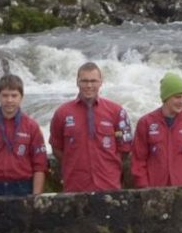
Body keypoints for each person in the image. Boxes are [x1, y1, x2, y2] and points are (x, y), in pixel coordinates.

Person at [49, 61, 131, 193]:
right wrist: (74, 163)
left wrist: (107, 167)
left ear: (101, 82)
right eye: (84, 81)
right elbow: (56, 148)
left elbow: (124, 149)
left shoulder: (117, 112)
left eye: (93, 81)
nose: (89, 85)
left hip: (109, 186)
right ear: (77, 82)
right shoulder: (62, 113)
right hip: (75, 187)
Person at [0, 74, 47, 198]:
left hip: (23, 188)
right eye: (5, 95)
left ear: (21, 97)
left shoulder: (32, 127)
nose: (9, 100)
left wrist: (35, 198)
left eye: (14, 95)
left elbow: (40, 166)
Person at [132, 72, 182, 189]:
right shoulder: (146, 122)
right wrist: (144, 188)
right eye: (177, 97)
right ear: (165, 98)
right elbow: (138, 160)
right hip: (154, 190)